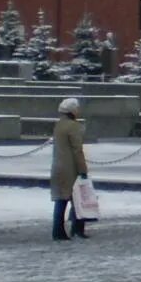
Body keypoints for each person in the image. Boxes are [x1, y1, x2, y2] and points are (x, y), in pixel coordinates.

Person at [50, 97, 90, 241]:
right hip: (70, 168)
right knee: (79, 200)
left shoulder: (59, 125)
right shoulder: (73, 127)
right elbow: (77, 150)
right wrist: (83, 169)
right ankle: (77, 229)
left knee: (61, 200)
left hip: (58, 166)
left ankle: (58, 229)